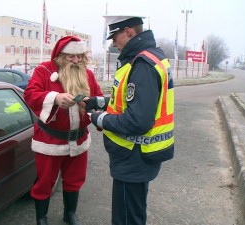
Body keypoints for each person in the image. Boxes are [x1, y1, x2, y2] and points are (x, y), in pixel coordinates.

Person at [85, 15, 175, 225]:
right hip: (139, 157)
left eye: (114, 37)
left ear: (128, 32)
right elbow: (126, 101)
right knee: (133, 214)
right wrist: (98, 102)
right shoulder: (150, 57)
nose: (113, 44)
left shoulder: (141, 64)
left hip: (134, 155)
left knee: (126, 219)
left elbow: (137, 121)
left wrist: (99, 119)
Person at [23, 36, 104, 225]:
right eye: (71, 57)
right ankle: (41, 219)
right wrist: (55, 98)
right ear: (60, 56)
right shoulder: (43, 70)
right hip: (50, 141)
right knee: (44, 183)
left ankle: (70, 214)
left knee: (74, 180)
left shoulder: (88, 75)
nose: (76, 61)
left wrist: (94, 108)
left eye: (80, 56)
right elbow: (30, 94)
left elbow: (98, 97)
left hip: (79, 140)